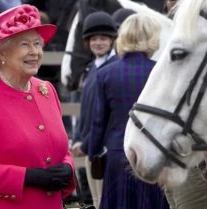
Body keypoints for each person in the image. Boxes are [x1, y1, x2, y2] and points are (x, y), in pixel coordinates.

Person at [0, 4, 75, 209]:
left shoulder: (47, 90)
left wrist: (68, 167)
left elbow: (61, 148)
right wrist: (26, 177)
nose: (35, 52)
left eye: (37, 44)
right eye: (25, 44)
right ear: (2, 53)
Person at [88, 13, 169, 209]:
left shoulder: (105, 73)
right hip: (153, 156)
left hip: (117, 154)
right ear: (152, 37)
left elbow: (98, 122)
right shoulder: (161, 72)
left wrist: (93, 155)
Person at [71, 11, 119, 209]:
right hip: (90, 146)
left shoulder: (113, 68)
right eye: (94, 39)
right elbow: (85, 110)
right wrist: (77, 138)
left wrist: (87, 143)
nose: (98, 42)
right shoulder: (91, 69)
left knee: (104, 201)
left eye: (103, 38)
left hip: (104, 147)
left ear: (112, 41)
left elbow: (106, 115)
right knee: (96, 200)